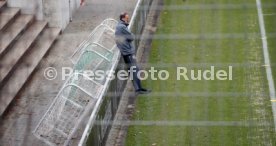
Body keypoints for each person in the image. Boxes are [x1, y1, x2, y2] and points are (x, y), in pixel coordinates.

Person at [115, 12, 151, 94]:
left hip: (127, 52)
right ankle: (138, 89)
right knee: (134, 71)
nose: (128, 19)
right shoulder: (121, 27)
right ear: (123, 18)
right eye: (127, 18)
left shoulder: (121, 26)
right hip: (127, 52)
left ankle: (139, 88)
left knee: (134, 70)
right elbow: (131, 37)